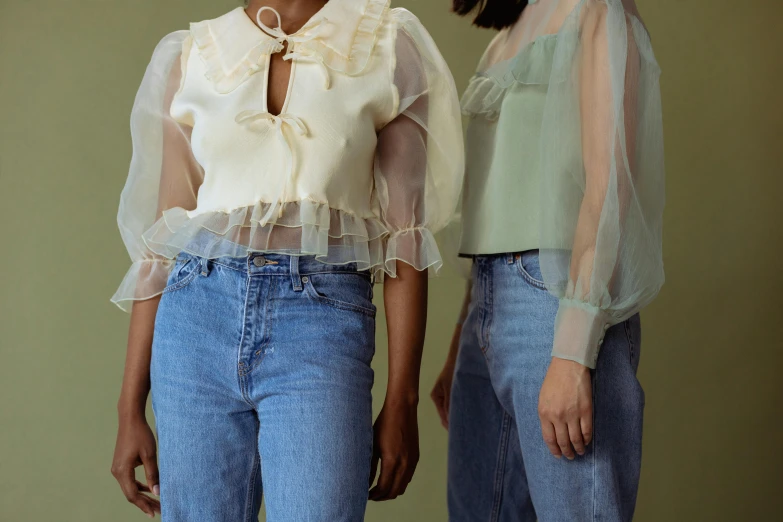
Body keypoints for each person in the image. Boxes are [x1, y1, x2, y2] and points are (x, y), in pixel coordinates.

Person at [109, 1, 463, 520]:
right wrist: (128, 408)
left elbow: (404, 240)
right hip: (193, 322)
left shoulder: (386, 42)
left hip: (321, 324)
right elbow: (161, 246)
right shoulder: (195, 52)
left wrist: (401, 400)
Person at [431, 0, 665, 520]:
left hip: (558, 301)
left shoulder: (599, 11)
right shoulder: (504, 37)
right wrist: (464, 338)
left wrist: (573, 351)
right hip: (486, 315)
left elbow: (609, 187)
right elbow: (494, 199)